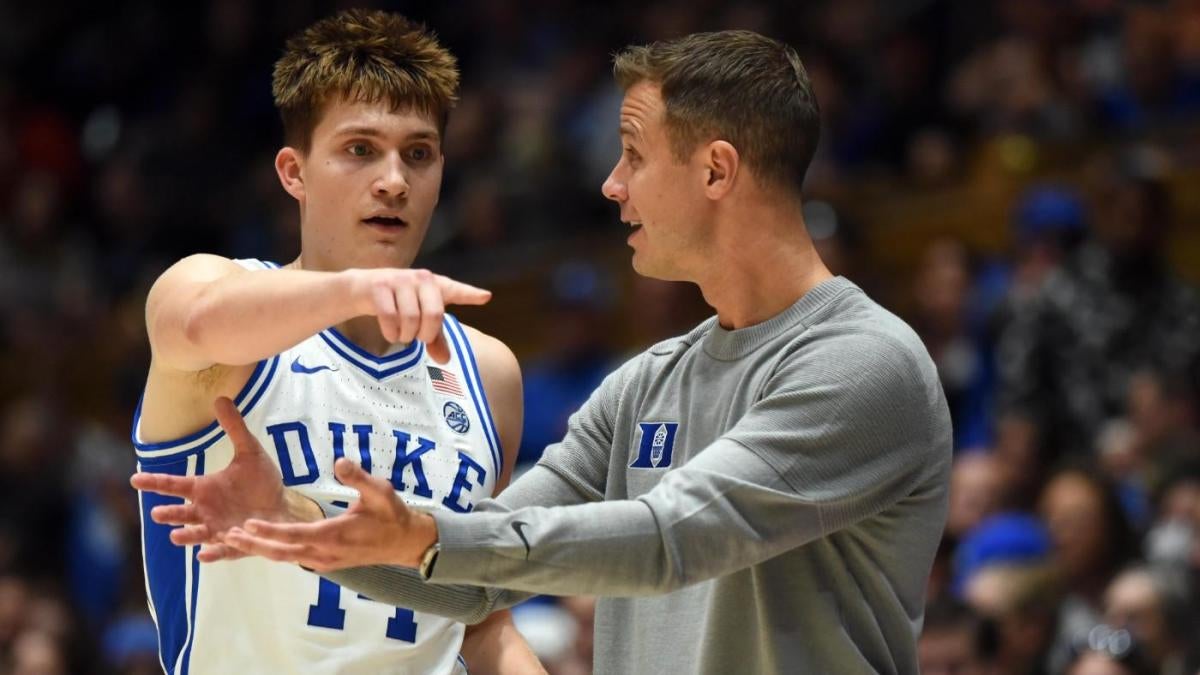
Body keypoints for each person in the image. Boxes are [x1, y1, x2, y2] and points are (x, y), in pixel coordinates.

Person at [135, 30, 952, 673]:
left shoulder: (863, 363)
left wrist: (416, 537)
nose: (610, 183)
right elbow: (483, 569)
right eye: (360, 150)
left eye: (632, 153)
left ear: (716, 171)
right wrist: (298, 520)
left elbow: (668, 539)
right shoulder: (644, 386)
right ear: (293, 172)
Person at [127, 10, 541, 675]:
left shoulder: (488, 371)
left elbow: (480, 618)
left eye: (418, 153)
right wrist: (358, 287)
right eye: (359, 149)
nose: (394, 180)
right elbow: (200, 319)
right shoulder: (211, 293)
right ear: (293, 172)